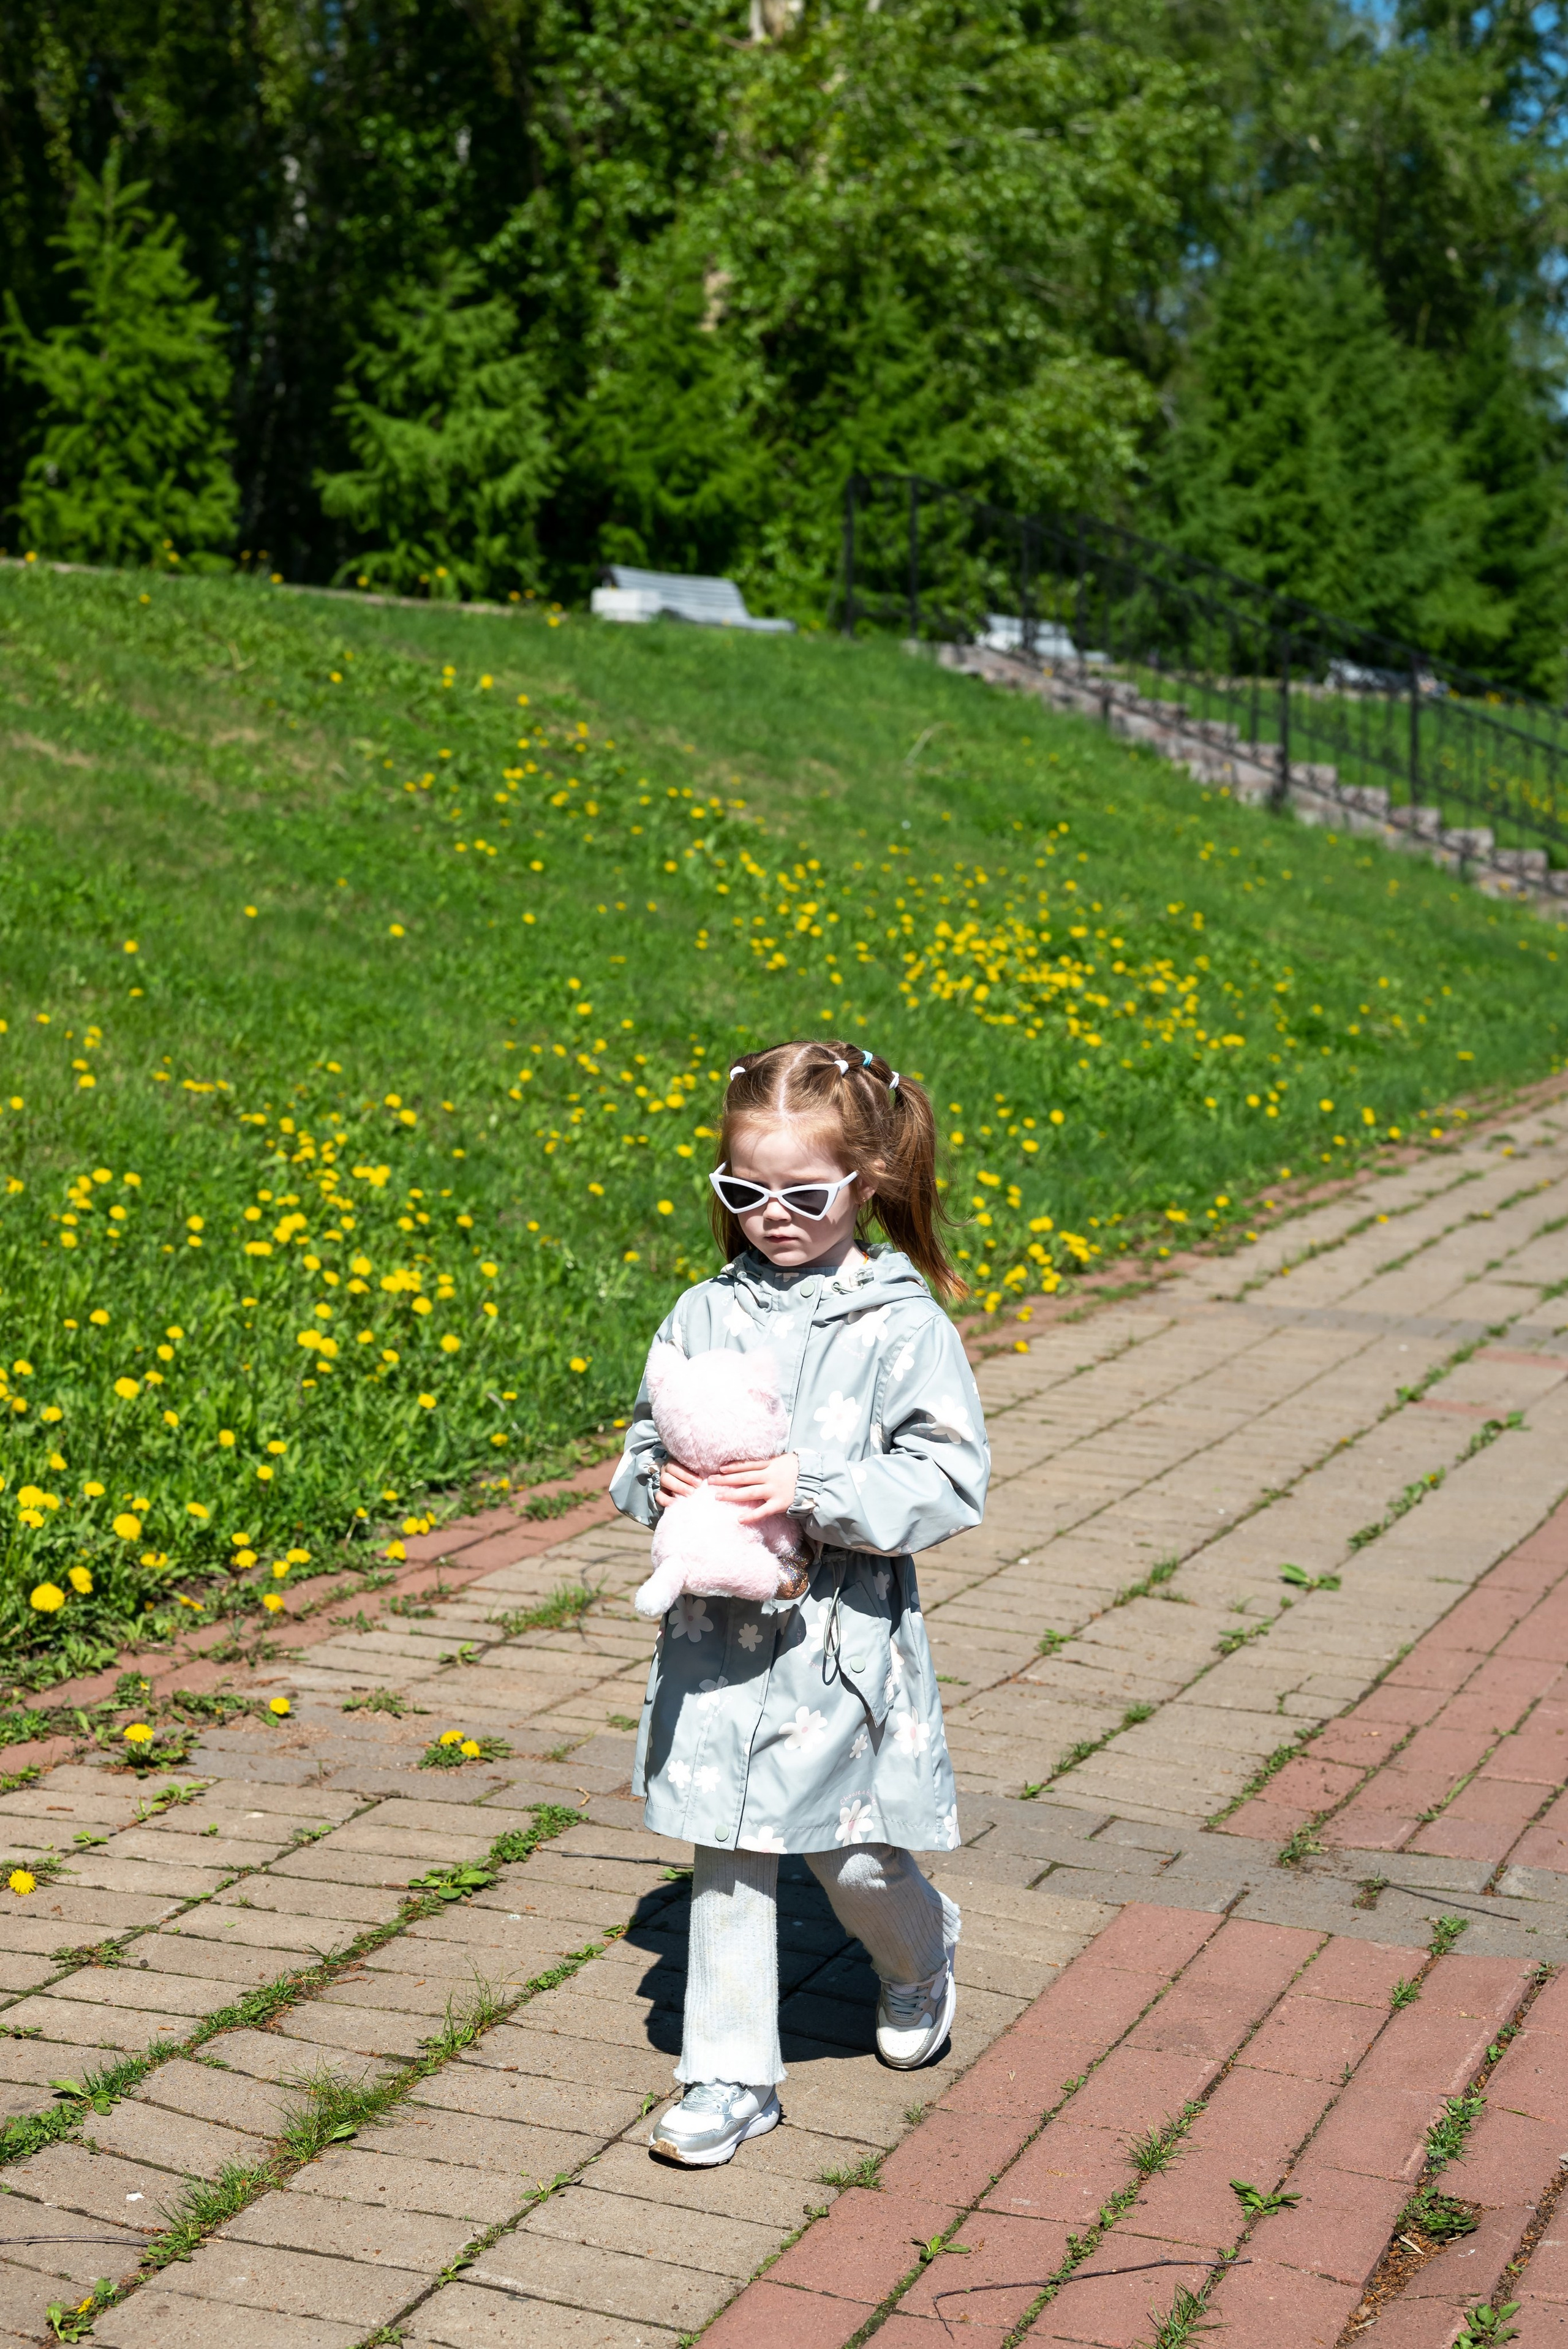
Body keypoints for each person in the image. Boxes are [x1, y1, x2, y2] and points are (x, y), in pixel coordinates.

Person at [609, 1038, 990, 2168]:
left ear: (865, 1183)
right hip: (718, 1639)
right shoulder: (703, 1310)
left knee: (853, 1856)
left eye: (804, 1193)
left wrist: (815, 1491)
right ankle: (729, 2077)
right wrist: (657, 1482)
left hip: (841, 1638)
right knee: (728, 1844)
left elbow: (950, 1475)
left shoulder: (898, 1321)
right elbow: (642, 1440)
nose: (773, 1215)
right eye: (745, 1191)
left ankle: (919, 1951)